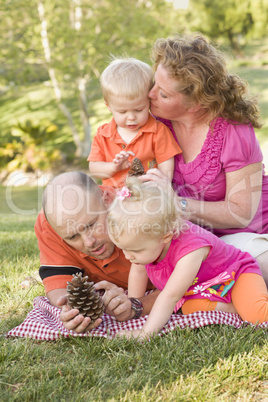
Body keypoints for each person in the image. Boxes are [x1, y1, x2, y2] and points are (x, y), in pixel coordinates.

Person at [142, 33, 268, 285]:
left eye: (164, 94)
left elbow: (240, 213)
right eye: (154, 83)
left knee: (257, 262)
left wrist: (175, 205)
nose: (151, 94)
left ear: (196, 104)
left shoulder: (234, 131)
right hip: (191, 236)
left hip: (243, 234)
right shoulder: (154, 122)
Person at [107, 178, 268, 340]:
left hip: (235, 276)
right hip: (202, 289)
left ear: (166, 236)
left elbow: (170, 295)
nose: (128, 256)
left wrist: (146, 333)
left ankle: (248, 304)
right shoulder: (147, 247)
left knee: (258, 317)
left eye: (135, 250)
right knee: (188, 307)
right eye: (124, 249)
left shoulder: (190, 251)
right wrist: (131, 309)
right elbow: (138, 273)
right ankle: (240, 306)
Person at [35, 171, 160, 333]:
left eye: (92, 224)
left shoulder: (142, 212)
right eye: (73, 237)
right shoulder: (52, 223)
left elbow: (191, 281)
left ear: (107, 200)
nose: (89, 242)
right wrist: (74, 310)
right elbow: (58, 282)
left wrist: (136, 305)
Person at [87, 57, 181, 188]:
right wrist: (113, 167)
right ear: (108, 106)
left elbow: (166, 162)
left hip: (147, 194)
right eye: (122, 112)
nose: (131, 117)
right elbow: (94, 167)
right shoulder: (103, 134)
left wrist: (161, 184)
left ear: (149, 101)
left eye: (138, 110)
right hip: (113, 197)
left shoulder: (158, 131)